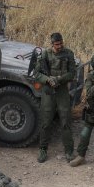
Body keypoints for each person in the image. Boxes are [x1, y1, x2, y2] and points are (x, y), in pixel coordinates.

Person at [35, 32, 78, 163]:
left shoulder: (69, 54)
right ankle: (43, 149)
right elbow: (36, 73)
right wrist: (48, 79)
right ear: (52, 44)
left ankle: (69, 150)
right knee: (45, 122)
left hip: (62, 91)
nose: (59, 46)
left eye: (61, 43)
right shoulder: (44, 54)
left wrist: (59, 79)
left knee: (66, 121)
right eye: (56, 44)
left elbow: (72, 73)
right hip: (48, 92)